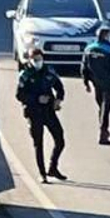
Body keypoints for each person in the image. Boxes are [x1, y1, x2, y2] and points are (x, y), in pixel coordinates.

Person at [16, 45, 66, 183]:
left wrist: (59, 99)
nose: (38, 61)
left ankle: (53, 167)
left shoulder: (49, 71)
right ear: (30, 59)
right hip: (33, 112)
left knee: (60, 140)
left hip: (48, 110)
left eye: (40, 59)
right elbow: (19, 95)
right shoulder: (25, 75)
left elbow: (59, 87)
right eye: (35, 59)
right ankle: (42, 173)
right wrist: (36, 99)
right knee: (39, 144)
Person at [81, 24, 110, 146]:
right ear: (105, 36)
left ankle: (103, 129)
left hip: (96, 83)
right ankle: (103, 131)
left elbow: (84, 67)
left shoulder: (89, 49)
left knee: (102, 106)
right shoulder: (109, 51)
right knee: (106, 107)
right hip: (108, 83)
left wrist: (86, 82)